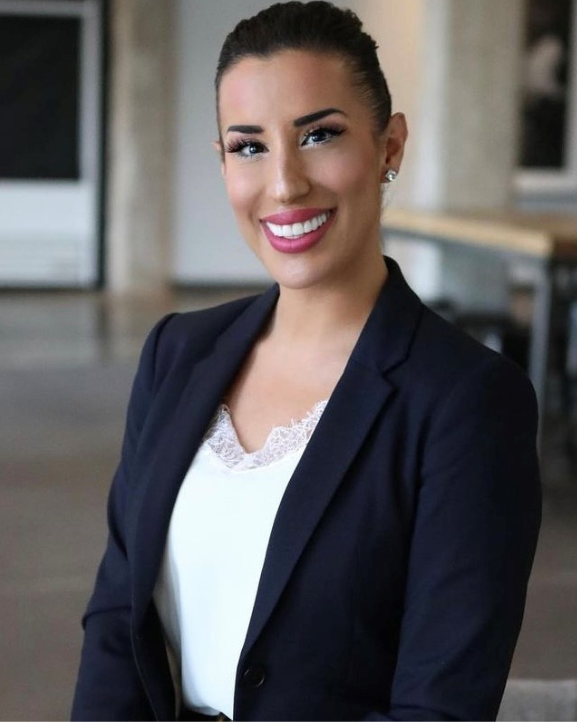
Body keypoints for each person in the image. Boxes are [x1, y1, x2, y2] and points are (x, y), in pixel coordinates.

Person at [71, 2, 541, 720]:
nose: (285, 184)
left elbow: (438, 708)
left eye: (319, 135)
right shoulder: (177, 352)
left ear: (389, 146)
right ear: (223, 162)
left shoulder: (465, 401)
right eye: (249, 146)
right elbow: (114, 621)